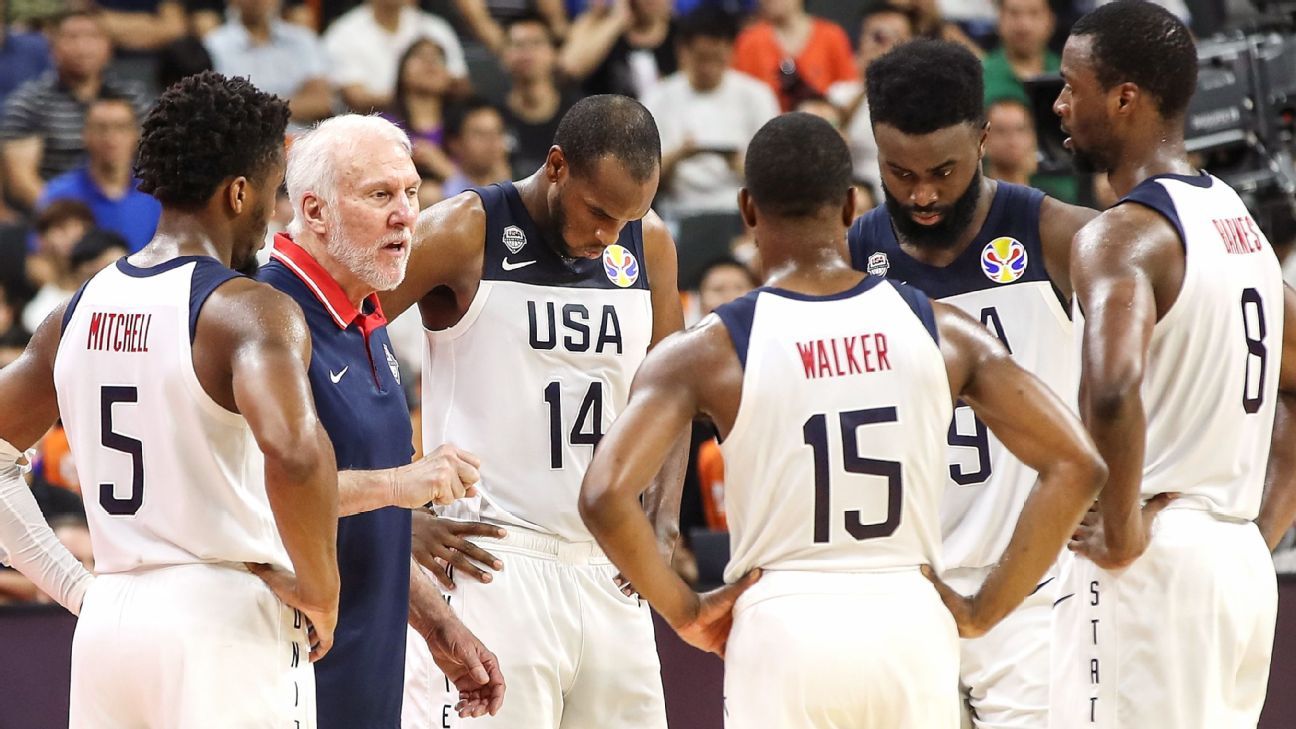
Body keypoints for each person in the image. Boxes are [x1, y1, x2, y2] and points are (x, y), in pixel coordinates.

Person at [578, 111, 1105, 728]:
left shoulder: (708, 350)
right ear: (853, 205)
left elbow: (606, 494)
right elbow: (1076, 463)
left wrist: (687, 611)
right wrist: (985, 610)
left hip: (782, 621)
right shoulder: (942, 330)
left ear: (748, 210)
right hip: (908, 617)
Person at [0, 71, 341, 727]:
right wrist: (322, 590)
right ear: (240, 192)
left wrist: (74, 586)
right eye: (273, 196)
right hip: (222, 617)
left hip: (109, 622)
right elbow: (298, 454)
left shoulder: (80, 307)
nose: (274, 217)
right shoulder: (249, 311)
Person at [380, 93, 685, 729]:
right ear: (556, 166)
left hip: (609, 563)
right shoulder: (465, 230)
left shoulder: (647, 243)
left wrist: (663, 513)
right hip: (492, 560)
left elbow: (672, 387)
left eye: (628, 215)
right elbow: (337, 346)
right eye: (599, 211)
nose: (609, 235)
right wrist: (389, 508)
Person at [1050, 2, 1296, 726]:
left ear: (1124, 97)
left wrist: (1121, 526)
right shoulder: (1234, 218)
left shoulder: (1120, 237)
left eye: (1072, 85)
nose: (1059, 103)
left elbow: (1115, 388)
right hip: (1235, 563)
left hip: (1150, 557)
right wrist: (1266, 522)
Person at [846, 39, 1098, 728]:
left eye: (942, 171)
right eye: (899, 173)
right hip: (900, 592)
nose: (922, 194)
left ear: (985, 140)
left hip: (1032, 589)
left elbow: (1163, 360)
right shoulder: (849, 257)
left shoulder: (1057, 234)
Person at [258, 113, 505, 727]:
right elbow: (257, 494)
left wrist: (439, 624)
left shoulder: (365, 313)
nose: (406, 216)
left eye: (412, 193)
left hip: (372, 667)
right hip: (284, 669)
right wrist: (406, 483)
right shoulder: (265, 316)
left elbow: (370, 521)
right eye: (380, 196)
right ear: (313, 212)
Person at [0, 8, 150, 211]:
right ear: (52, 47)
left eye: (92, 37)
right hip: (56, 220)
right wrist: (72, 221)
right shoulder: (27, 103)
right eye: (72, 37)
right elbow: (21, 181)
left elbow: (154, 164)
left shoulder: (135, 99)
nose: (82, 47)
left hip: (130, 208)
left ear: (109, 46)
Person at [642, 7, 779, 218]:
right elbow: (642, 178)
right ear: (683, 51)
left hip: (739, 211)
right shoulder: (657, 97)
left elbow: (772, 176)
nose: (709, 68)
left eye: (718, 58)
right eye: (702, 58)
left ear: (731, 51)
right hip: (676, 210)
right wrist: (679, 154)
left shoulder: (757, 95)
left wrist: (739, 164)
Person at [37, 94, 163, 254]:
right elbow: (37, 261)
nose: (111, 137)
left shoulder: (157, 195)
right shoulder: (59, 194)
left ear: (136, 136)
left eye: (121, 127)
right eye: (101, 128)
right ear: (85, 135)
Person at [825, 3, 914, 195]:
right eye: (876, 36)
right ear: (861, 41)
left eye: (895, 37)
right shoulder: (839, 93)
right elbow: (827, 141)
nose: (884, 45)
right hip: (851, 195)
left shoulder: (924, 96)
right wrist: (870, 80)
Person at [203, 0, 334, 128]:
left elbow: (322, 103)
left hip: (302, 140)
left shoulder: (303, 40)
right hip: (244, 142)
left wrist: (255, 107)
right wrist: (295, 103)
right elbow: (223, 110)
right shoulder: (213, 46)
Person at [322, 0, 468, 112]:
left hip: (440, 127)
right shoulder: (343, 33)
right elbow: (356, 98)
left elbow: (461, 85)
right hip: (368, 132)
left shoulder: (434, 27)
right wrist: (414, 92)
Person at [731, 0, 856, 111]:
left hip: (821, 127)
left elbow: (849, 93)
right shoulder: (749, 41)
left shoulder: (832, 36)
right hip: (767, 129)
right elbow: (738, 96)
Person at [500, 15, 580, 179]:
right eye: (518, 45)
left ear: (554, 53)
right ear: (503, 56)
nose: (527, 53)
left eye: (536, 43)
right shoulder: (491, 116)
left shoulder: (578, 114)